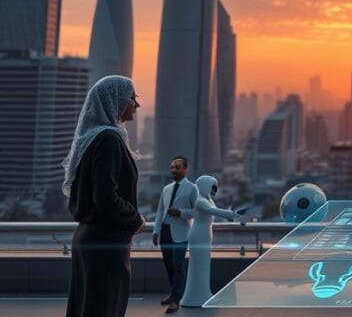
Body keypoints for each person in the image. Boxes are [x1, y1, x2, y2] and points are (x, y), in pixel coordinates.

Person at [63, 76, 146, 317]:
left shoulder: (95, 138)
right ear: (116, 101)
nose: (136, 105)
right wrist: (135, 219)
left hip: (91, 238)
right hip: (105, 242)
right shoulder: (108, 139)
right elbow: (105, 196)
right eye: (132, 98)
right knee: (105, 308)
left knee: (88, 307)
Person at [180, 175, 244, 307]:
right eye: (212, 187)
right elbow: (212, 211)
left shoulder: (206, 199)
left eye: (215, 188)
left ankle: (202, 295)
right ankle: (196, 298)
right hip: (199, 235)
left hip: (203, 235)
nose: (214, 191)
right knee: (199, 268)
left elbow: (204, 212)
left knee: (202, 268)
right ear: (204, 186)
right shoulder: (200, 200)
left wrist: (230, 216)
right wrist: (231, 214)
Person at [152, 156, 198, 313]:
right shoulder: (166, 188)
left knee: (178, 266)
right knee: (169, 266)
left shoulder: (192, 188)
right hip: (165, 231)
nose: (173, 170)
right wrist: (156, 231)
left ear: (186, 169)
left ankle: (176, 300)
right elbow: (159, 211)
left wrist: (181, 212)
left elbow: (197, 212)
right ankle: (173, 294)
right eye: (172, 167)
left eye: (177, 167)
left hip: (181, 233)